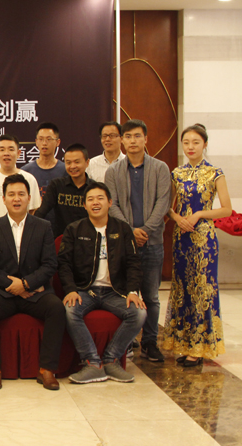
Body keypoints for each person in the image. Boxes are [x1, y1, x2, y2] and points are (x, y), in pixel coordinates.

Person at [0, 174, 65, 391]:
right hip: (3, 291)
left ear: (29, 198)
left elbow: (49, 264)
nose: (16, 199)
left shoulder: (43, 226)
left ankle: (47, 369)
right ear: (4, 199)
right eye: (11, 194)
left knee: (56, 308)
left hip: (35, 291)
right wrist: (14, 286)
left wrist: (25, 284)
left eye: (21, 194)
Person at [58, 182, 146, 383]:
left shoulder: (122, 229)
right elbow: (64, 264)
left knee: (139, 313)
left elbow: (133, 263)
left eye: (100, 198)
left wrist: (133, 291)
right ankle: (92, 363)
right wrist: (70, 290)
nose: (95, 203)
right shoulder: (74, 229)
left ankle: (111, 360)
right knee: (69, 310)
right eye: (90, 199)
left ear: (109, 202)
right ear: (84, 205)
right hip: (85, 290)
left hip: (115, 292)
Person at [162, 124, 233, 367]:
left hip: (204, 239)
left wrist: (199, 214)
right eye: (186, 142)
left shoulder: (215, 173)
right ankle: (183, 344)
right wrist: (177, 218)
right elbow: (167, 206)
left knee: (202, 289)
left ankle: (201, 347)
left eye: (195, 142)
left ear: (205, 144)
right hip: (181, 236)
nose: (190, 147)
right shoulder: (177, 173)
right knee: (182, 288)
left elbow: (226, 209)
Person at [105, 119, 171, 363]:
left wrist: (144, 230)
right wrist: (130, 231)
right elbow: (112, 205)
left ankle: (150, 342)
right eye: (128, 136)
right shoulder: (113, 172)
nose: (132, 141)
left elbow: (163, 202)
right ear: (122, 140)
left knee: (151, 296)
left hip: (152, 243)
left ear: (146, 139)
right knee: (125, 293)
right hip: (125, 244)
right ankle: (129, 340)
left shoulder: (160, 168)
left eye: (137, 136)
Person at [0, 134, 41, 239]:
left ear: (18, 153)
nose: (6, 153)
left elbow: (34, 211)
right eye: (2, 149)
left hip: (23, 237)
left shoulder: (29, 179)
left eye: (11, 149)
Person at [35, 143, 94, 237]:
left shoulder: (94, 188)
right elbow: (42, 211)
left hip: (88, 238)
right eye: (68, 163)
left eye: (77, 162)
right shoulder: (56, 185)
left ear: (87, 163)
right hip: (61, 239)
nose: (72, 166)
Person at [22, 122, 66, 201]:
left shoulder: (65, 170)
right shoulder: (26, 171)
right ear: (36, 142)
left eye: (49, 139)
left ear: (58, 142)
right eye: (41, 139)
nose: (44, 143)